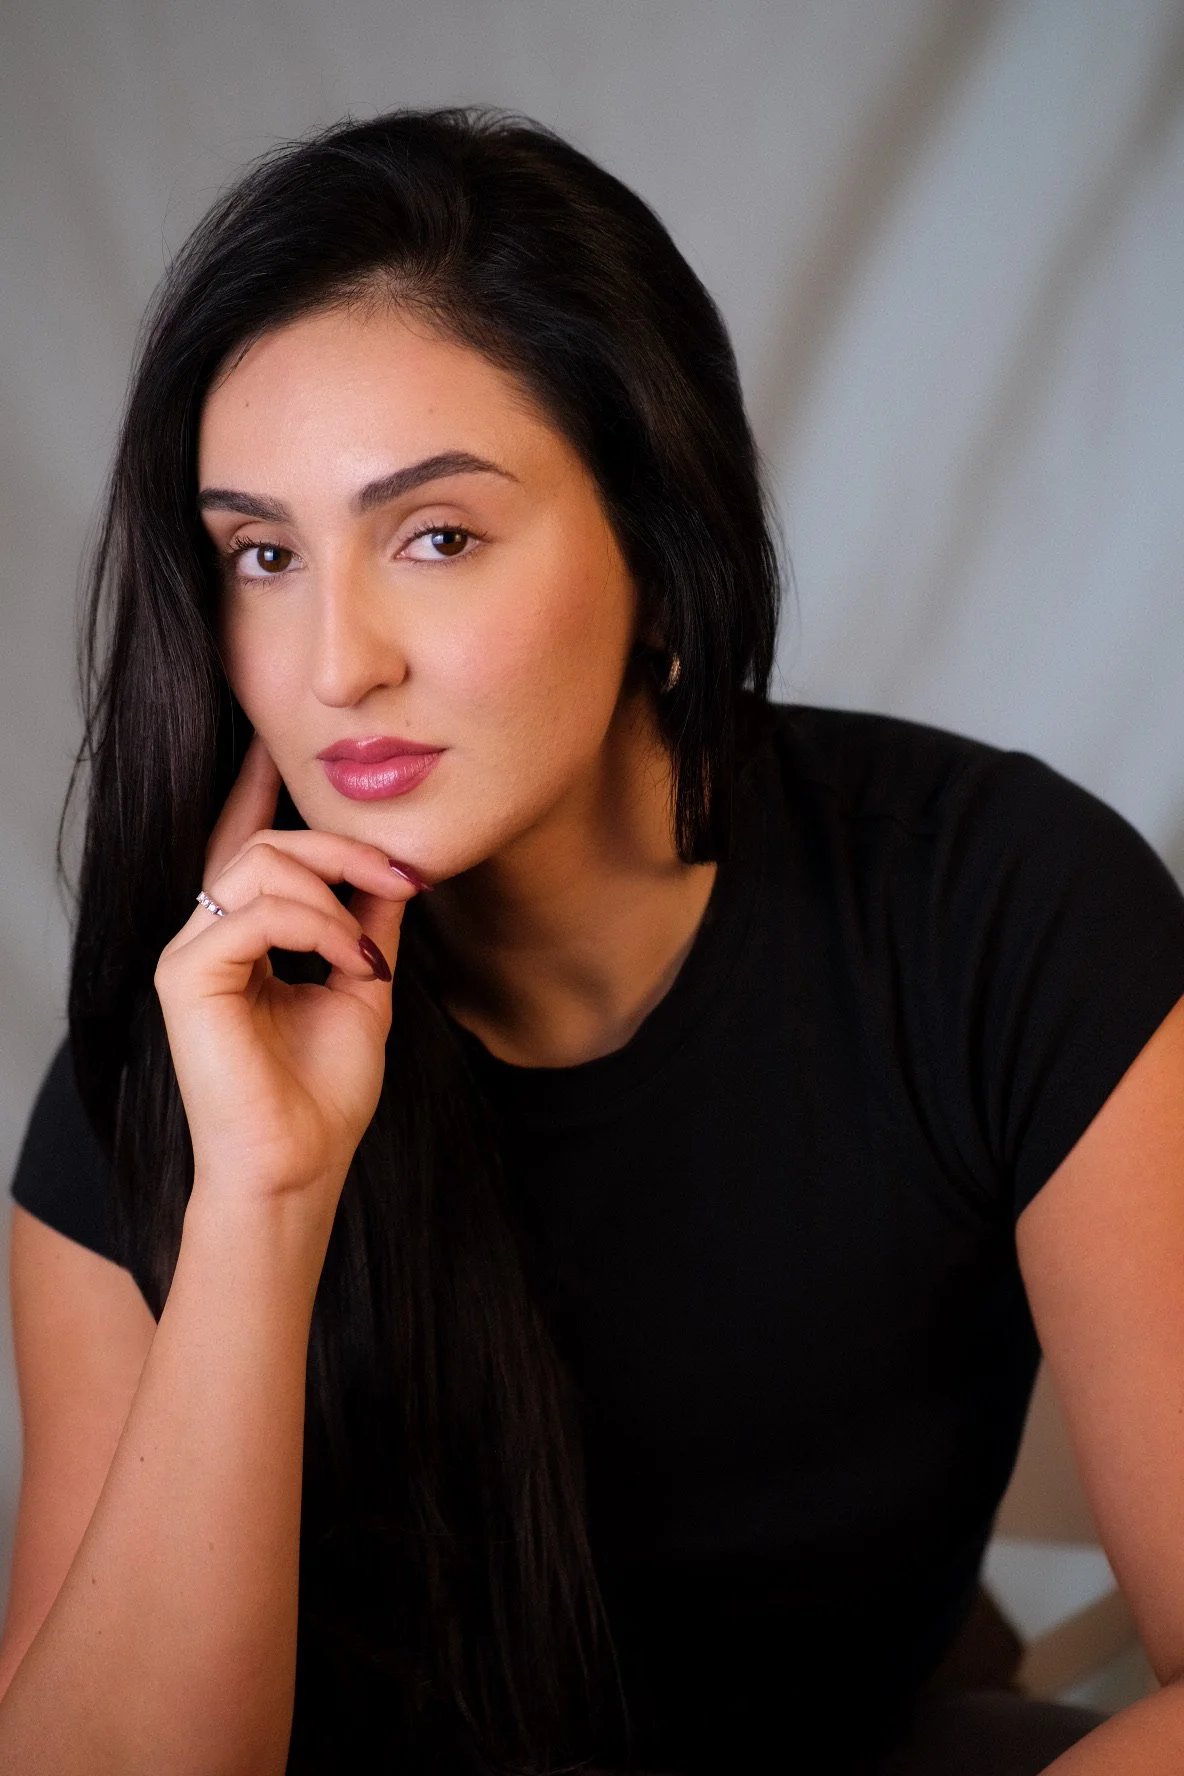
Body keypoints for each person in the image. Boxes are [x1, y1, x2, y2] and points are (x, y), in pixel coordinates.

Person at [2, 106, 1184, 1776]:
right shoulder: (172, 1066)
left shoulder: (992, 907)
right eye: (262, 554)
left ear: (659, 524)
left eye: (435, 536)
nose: (335, 663)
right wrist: (260, 1203)